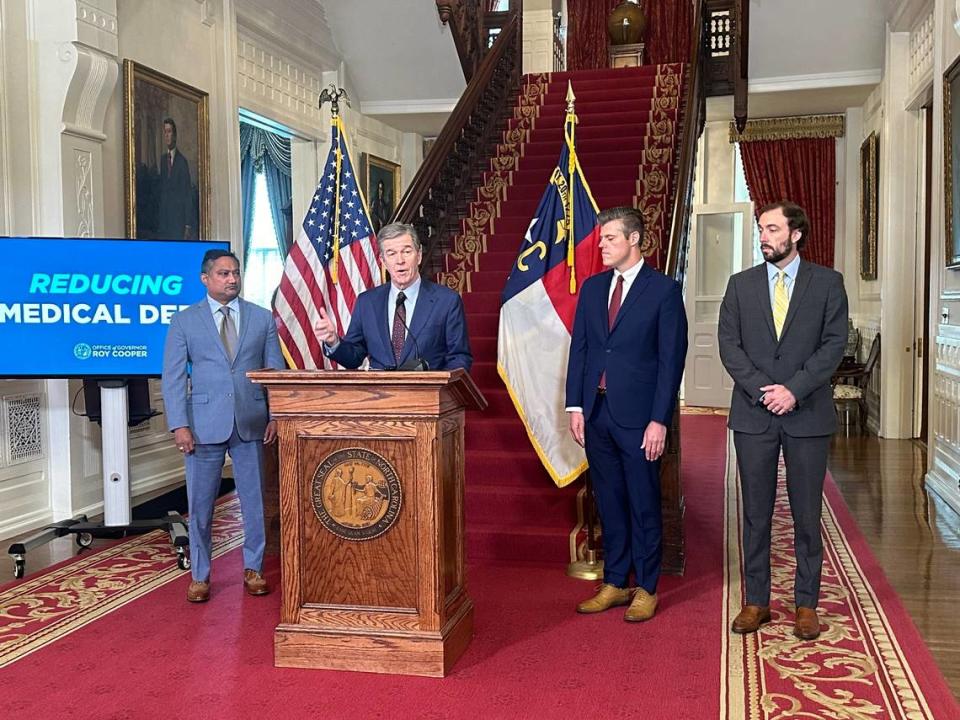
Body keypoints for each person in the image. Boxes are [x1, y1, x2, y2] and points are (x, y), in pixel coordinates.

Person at [718, 200, 848, 641]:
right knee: (755, 513)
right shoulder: (740, 285)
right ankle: (757, 601)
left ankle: (806, 603)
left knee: (807, 514)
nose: (763, 236)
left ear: (795, 233)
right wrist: (764, 391)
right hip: (754, 415)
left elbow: (833, 346)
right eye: (760, 229)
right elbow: (729, 348)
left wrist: (794, 389)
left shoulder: (828, 283)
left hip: (807, 414)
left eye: (771, 228)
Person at [565, 206, 688, 622]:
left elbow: (671, 362)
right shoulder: (594, 288)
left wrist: (660, 420)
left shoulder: (663, 291)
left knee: (643, 503)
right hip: (596, 413)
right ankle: (616, 582)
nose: (602, 245)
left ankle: (647, 587)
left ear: (635, 239)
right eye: (601, 239)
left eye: (610, 238)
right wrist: (576, 405)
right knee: (610, 502)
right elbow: (580, 348)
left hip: (640, 418)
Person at [161, 249, 285, 603]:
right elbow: (171, 378)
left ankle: (254, 568)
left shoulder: (262, 319)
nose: (232, 279)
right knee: (200, 506)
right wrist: (178, 425)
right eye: (223, 274)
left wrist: (275, 415)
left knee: (254, 502)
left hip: (251, 423)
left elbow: (273, 374)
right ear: (206, 278)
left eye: (235, 273)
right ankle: (200, 575)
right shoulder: (184, 321)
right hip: (201, 426)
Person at [314, 222, 472, 371]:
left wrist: (439, 390)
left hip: (427, 397)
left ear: (419, 256)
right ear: (383, 261)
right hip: (381, 397)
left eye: (407, 251)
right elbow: (354, 357)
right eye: (392, 254)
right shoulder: (367, 302)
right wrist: (333, 341)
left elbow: (459, 358)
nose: (400, 261)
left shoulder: (447, 301)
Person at [155, 117, 196, 240]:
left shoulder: (182, 162)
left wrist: (187, 224)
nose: (167, 135)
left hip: (178, 220)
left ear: (175, 135)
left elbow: (187, 194)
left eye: (169, 132)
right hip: (164, 220)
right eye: (165, 132)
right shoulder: (163, 160)